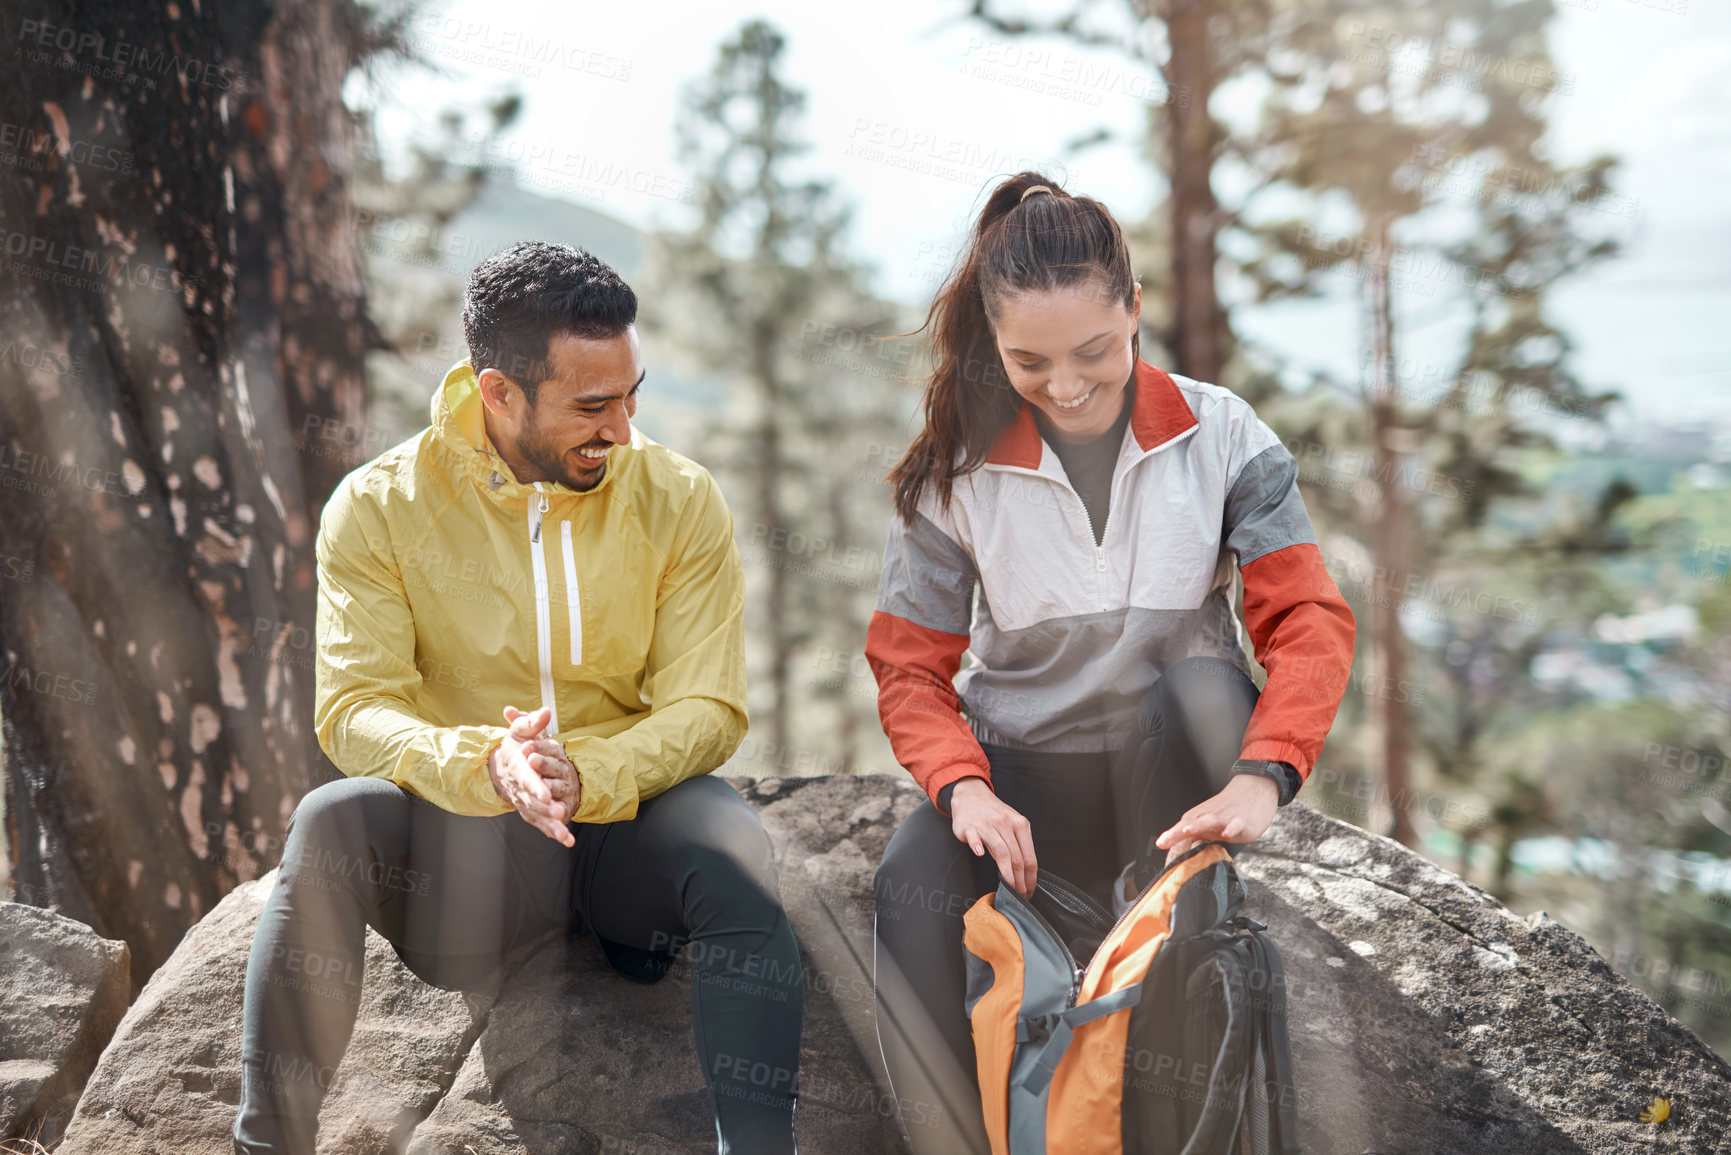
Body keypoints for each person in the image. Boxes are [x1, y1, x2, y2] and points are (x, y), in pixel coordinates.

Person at [233, 241, 803, 1155]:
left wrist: (590, 770)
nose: (620, 428)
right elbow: (354, 707)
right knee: (329, 822)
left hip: (625, 846)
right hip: (468, 866)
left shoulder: (677, 496)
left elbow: (709, 706)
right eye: (590, 405)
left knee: (730, 835)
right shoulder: (379, 506)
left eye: (631, 395)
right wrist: (483, 762)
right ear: (498, 393)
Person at [866, 173, 1356, 1153]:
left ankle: (1151, 1001)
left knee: (1195, 690)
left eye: (1095, 349)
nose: (1068, 384)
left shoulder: (1225, 435)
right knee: (904, 887)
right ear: (994, 345)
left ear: (1136, 309)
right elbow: (910, 669)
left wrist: (1266, 776)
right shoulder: (953, 474)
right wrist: (964, 791)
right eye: (1029, 361)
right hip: (1024, 787)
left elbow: (1306, 618)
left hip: (1173, 772)